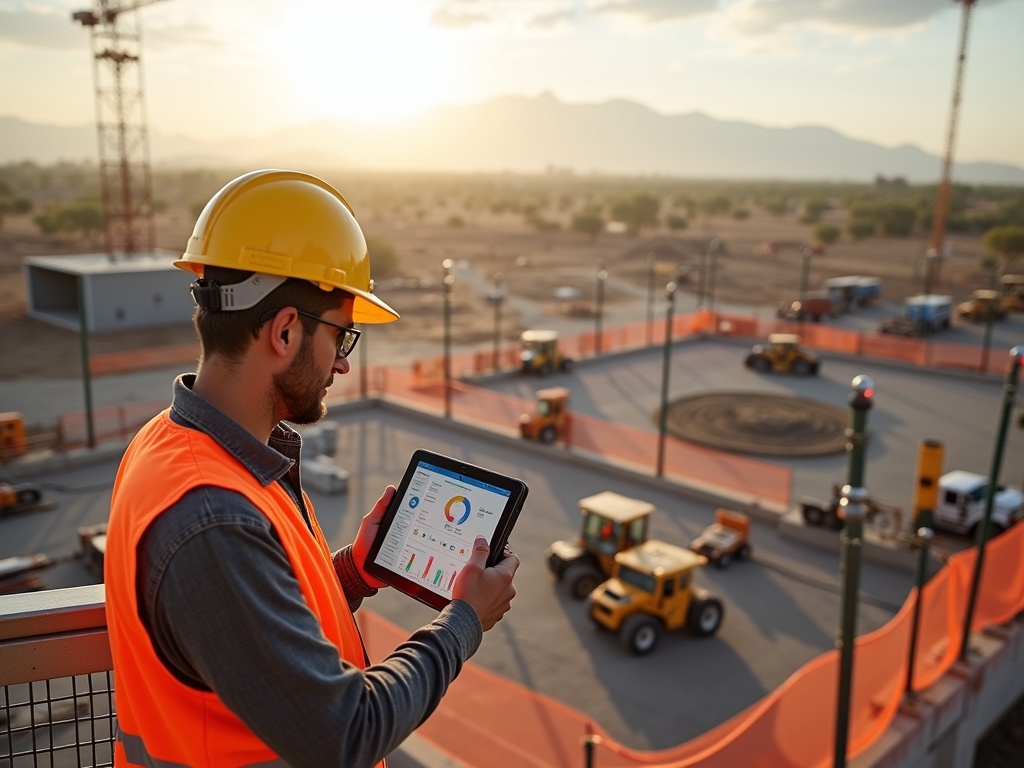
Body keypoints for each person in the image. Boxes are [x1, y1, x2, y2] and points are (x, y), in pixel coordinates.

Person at [104, 169, 521, 768]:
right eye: (343, 339)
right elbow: (343, 732)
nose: (344, 366)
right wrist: (464, 623)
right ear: (285, 330)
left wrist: (354, 572)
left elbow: (250, 637)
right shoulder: (211, 516)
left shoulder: (170, 443)